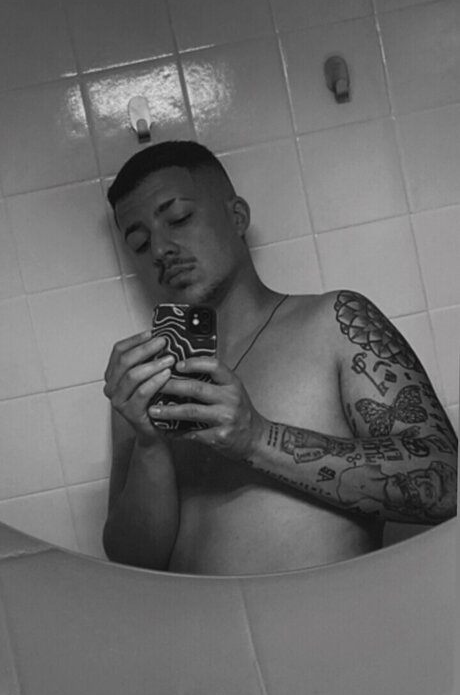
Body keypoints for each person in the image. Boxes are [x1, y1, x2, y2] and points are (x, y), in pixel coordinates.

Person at [102, 140, 457, 575]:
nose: (160, 250)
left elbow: (448, 483)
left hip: (324, 614)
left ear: (237, 216)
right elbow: (130, 561)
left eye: (178, 219)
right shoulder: (141, 381)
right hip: (194, 620)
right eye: (140, 243)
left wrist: (258, 438)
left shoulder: (334, 323)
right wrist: (150, 445)